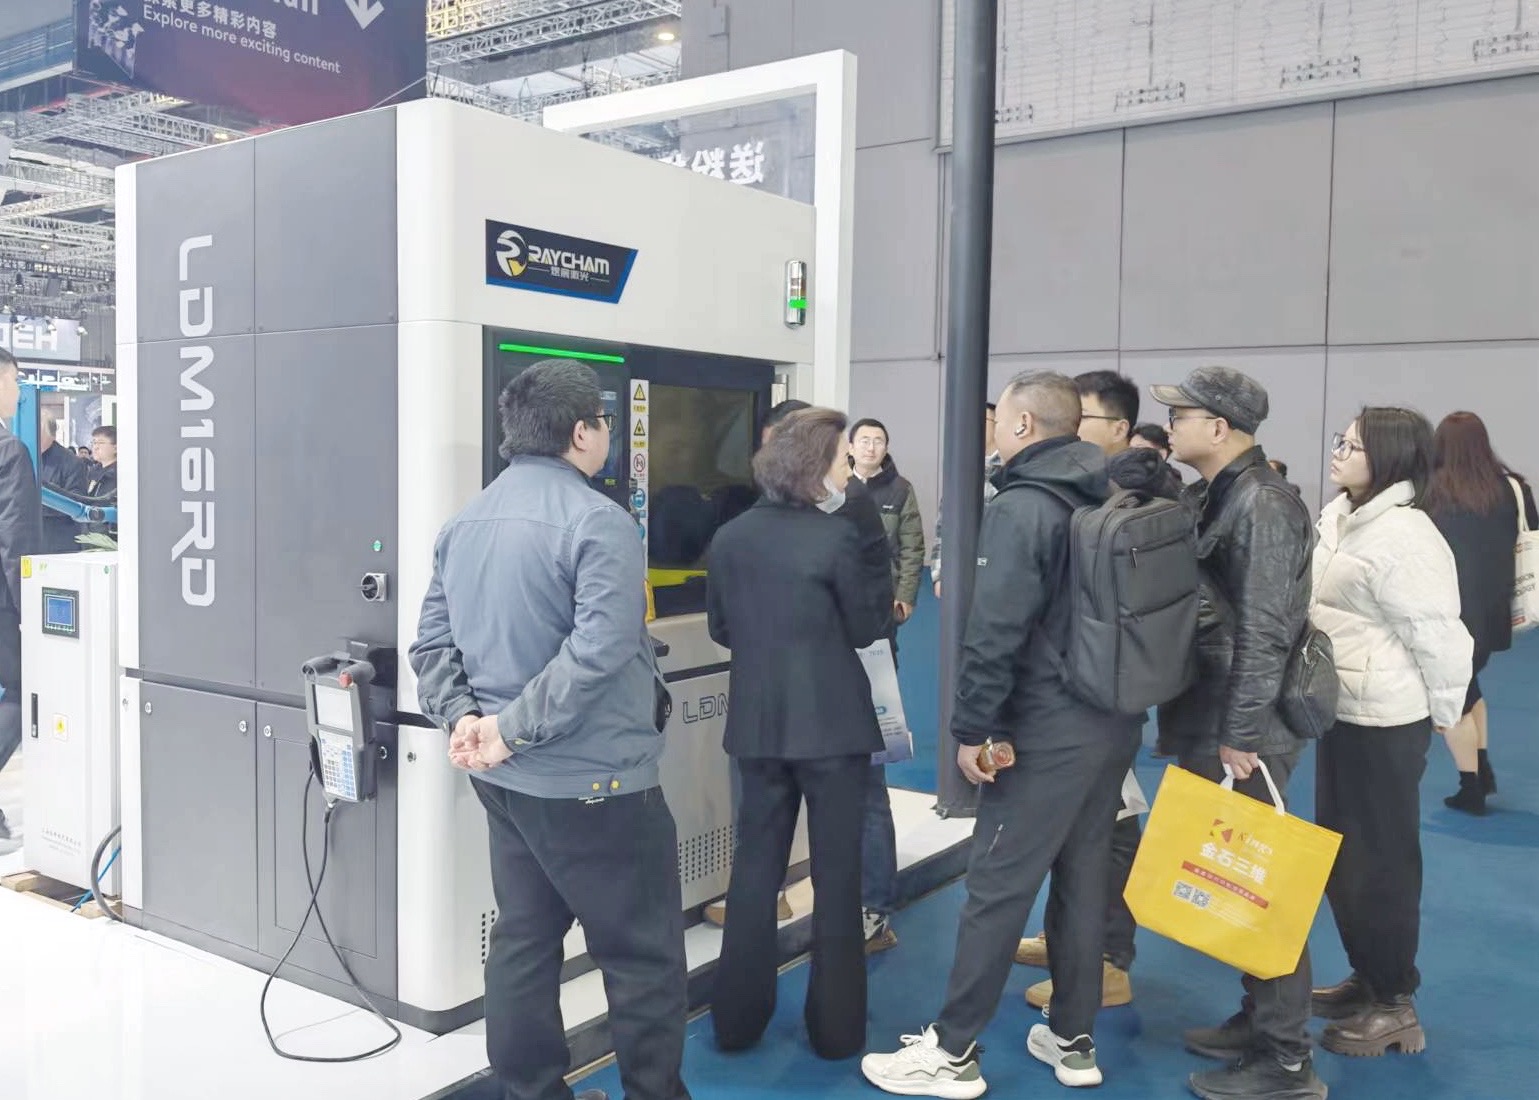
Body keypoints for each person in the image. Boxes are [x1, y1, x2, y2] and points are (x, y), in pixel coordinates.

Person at [409, 359, 689, 1100]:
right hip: (597, 783)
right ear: (582, 432)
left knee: (525, 941)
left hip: (505, 785)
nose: (607, 434)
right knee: (642, 958)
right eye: (604, 421)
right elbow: (600, 648)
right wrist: (508, 730)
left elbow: (431, 645)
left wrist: (464, 720)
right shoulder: (600, 521)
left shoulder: (464, 523)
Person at [862, 371, 1143, 1095]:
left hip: (1043, 728)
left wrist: (973, 729)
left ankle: (952, 1052)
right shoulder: (1106, 493)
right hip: (1110, 723)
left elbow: (995, 632)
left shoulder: (1023, 507)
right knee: (1083, 880)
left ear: (1021, 426)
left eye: (1001, 420)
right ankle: (1074, 1040)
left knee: (996, 886)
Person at [1150, 366, 1324, 1100]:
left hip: (1245, 724)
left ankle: (1286, 1060)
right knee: (1237, 881)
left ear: (1218, 428)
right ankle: (1260, 1021)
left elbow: (1265, 629)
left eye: (1181, 416)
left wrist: (1241, 731)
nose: (1171, 427)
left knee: (1261, 888)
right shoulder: (1218, 492)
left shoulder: (1262, 504)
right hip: (1218, 711)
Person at [705, 407, 894, 1060]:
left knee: (754, 874)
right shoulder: (836, 538)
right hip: (833, 728)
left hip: (757, 726)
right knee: (837, 879)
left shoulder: (729, 538)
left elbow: (721, 629)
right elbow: (866, 627)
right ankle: (836, 1031)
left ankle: (736, 1021)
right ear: (815, 468)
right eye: (842, 459)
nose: (848, 470)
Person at [1308, 408, 1471, 1058]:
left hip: (1386, 722)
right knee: (1341, 858)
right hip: (1339, 710)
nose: (1339, 451)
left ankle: (1394, 1003)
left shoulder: (1406, 536)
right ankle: (1367, 976)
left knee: (1380, 865)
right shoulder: (1341, 516)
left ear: (1390, 458)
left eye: (1353, 445)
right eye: (1340, 441)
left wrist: (1444, 712)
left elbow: (1441, 637)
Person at [1017, 370, 1152, 1014]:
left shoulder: (1132, 499)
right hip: (1084, 687)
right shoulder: (1086, 489)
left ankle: (1106, 960)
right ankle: (1069, 938)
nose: (1071, 428)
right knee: (1082, 824)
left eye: (1085, 419)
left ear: (1118, 430)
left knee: (1113, 824)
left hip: (1107, 692)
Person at [1424, 411, 1534, 814]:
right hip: (1493, 613)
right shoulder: (1513, 489)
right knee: (1470, 687)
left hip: (1447, 615)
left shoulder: (1429, 493)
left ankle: (1470, 786)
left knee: (1453, 698)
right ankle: (1481, 769)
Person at [846, 416, 925, 953]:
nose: (871, 447)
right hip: (856, 643)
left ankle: (875, 907)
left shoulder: (899, 491)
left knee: (872, 777)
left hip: (876, 642)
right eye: (863, 440)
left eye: (879, 439)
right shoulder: (835, 495)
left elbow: (913, 549)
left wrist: (905, 595)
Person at [0, 349, 41, 847]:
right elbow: (16, 540)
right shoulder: (9, 451)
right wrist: (29, 609)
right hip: (2, 602)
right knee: (22, 687)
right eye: (14, 381)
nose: (17, 392)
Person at [930, 403, 999, 600]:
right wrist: (939, 574)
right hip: (962, 571)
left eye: (982, 420)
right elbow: (944, 528)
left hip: (997, 574)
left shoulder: (1012, 469)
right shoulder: (961, 469)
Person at [37, 417, 88, 554]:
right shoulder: (25, 455)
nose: (34, 438)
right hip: (27, 539)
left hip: (58, 541)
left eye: (39, 434)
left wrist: (36, 504)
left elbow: (76, 502)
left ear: (52, 435)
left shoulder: (71, 462)